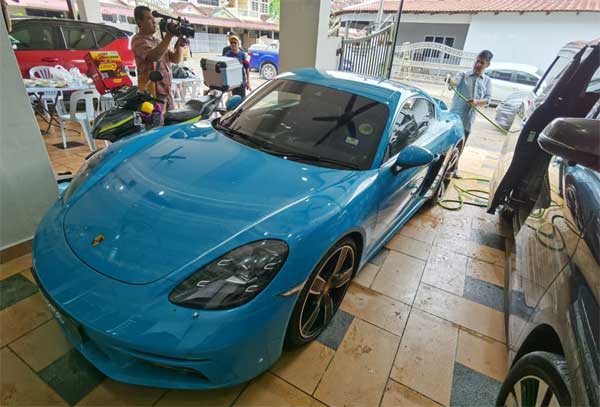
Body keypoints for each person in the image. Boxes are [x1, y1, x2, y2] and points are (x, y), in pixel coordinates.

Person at [131, 6, 188, 111]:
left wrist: (180, 44)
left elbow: (175, 59)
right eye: (149, 19)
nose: (154, 22)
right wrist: (168, 37)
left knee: (172, 124)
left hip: (166, 91)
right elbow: (154, 57)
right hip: (152, 94)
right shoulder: (138, 40)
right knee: (156, 125)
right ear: (139, 21)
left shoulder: (157, 41)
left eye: (154, 19)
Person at [448, 49, 493, 177]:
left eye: (482, 63)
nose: (478, 65)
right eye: (477, 61)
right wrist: (450, 80)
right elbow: (454, 82)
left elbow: (488, 100)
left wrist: (477, 102)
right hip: (455, 118)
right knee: (450, 144)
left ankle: (454, 168)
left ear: (487, 65)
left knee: (460, 146)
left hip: (469, 121)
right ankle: (444, 167)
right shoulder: (463, 75)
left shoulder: (487, 81)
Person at [223, 34, 251, 98]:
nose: (233, 44)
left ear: (238, 44)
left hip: (241, 82)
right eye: (231, 42)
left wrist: (248, 81)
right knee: (234, 101)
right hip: (232, 83)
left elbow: (247, 68)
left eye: (235, 42)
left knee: (242, 100)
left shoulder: (243, 55)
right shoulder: (227, 55)